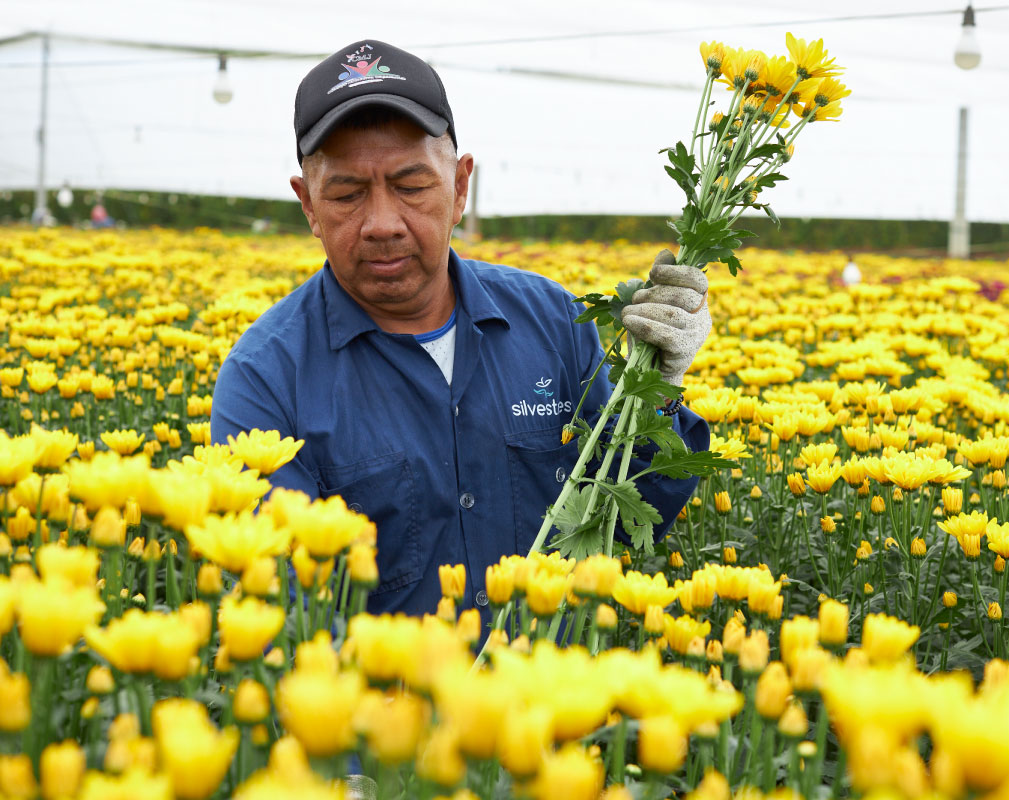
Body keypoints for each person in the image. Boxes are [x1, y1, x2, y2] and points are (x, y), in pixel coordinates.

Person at [211, 39, 712, 618]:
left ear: (459, 187)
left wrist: (656, 388)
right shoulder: (267, 380)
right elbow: (288, 618)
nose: (381, 224)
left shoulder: (554, 321)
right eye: (346, 194)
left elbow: (626, 518)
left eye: (411, 186)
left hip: (557, 699)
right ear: (308, 207)